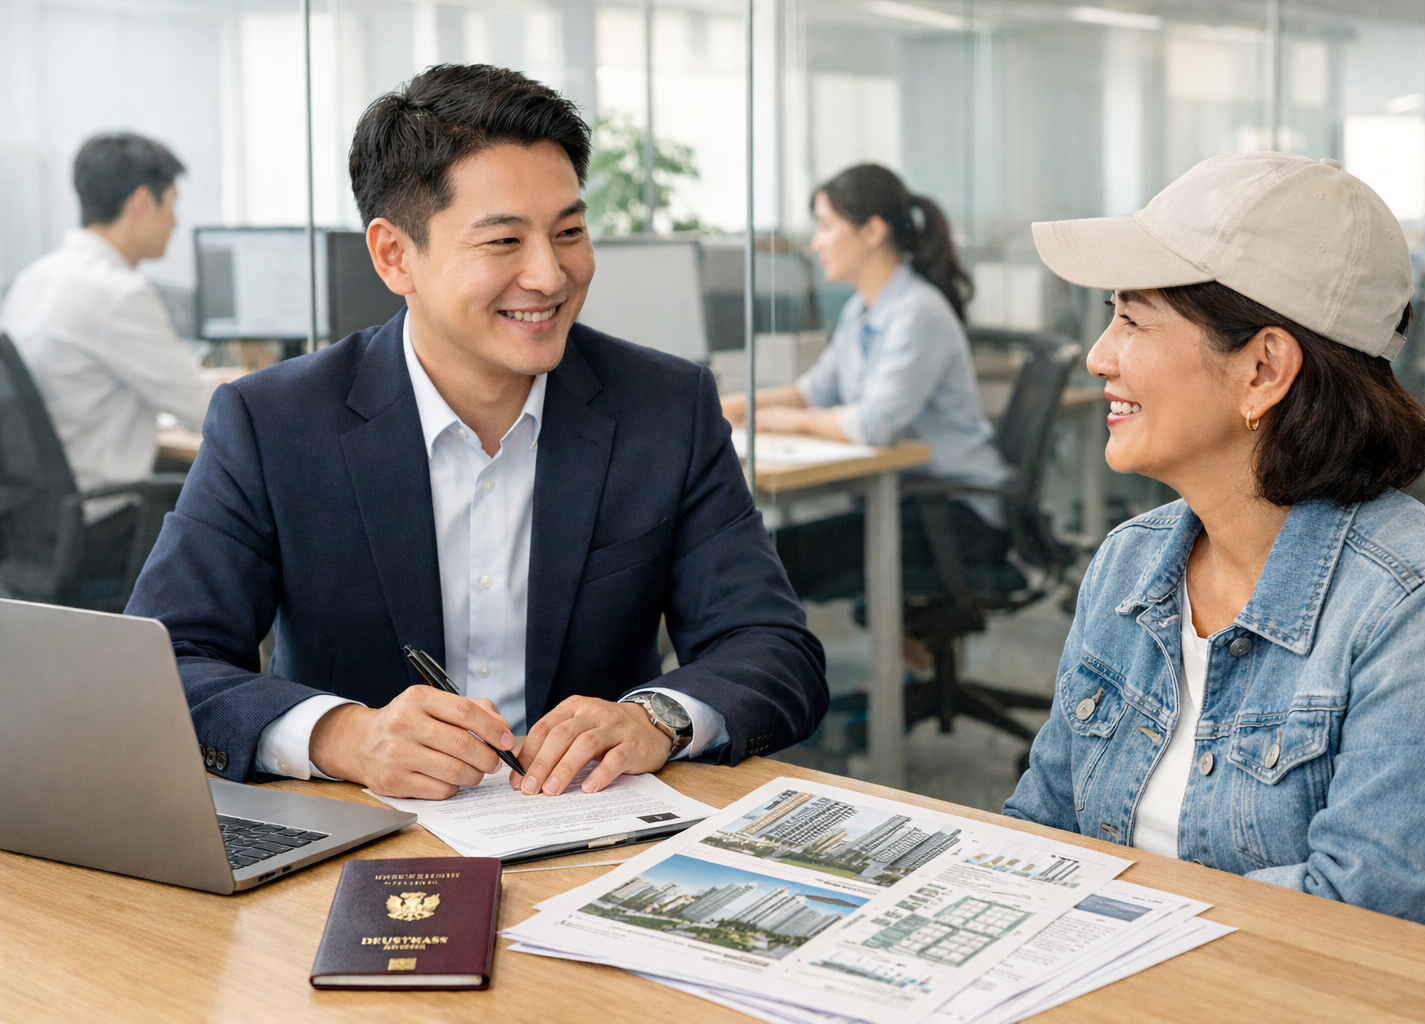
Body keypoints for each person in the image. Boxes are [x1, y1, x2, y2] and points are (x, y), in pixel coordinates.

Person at [125, 65, 827, 800]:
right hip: (357, 837)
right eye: (503, 243)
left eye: (569, 233)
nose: (550, 276)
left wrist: (657, 718)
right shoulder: (273, 422)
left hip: (595, 831)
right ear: (395, 255)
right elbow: (162, 661)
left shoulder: (666, 407)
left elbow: (773, 647)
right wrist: (344, 737)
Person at [1004, 152, 1425, 950]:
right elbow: (1040, 829)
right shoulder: (1129, 564)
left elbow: (1351, 929)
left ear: (1264, 369)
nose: (1098, 355)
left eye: (1133, 319)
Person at [721, 165, 1011, 613]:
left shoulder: (918, 312)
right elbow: (812, 390)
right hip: (908, 503)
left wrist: (780, 420)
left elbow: (872, 424)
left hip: (956, 517)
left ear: (872, 231)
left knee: (770, 560)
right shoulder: (861, 310)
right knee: (766, 554)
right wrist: (729, 408)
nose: (816, 242)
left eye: (826, 226)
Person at [1, 132, 209, 554]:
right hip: (101, 525)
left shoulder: (33, 278)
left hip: (31, 525)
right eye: (171, 202)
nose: (175, 221)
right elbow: (206, 408)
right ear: (141, 203)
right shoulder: (118, 294)